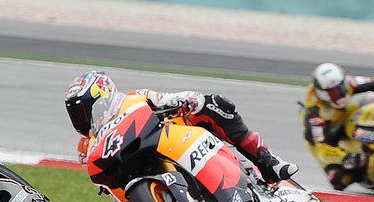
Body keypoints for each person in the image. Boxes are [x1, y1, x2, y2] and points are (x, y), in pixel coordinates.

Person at [64, 70, 297, 185]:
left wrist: (189, 100)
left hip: (175, 138)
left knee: (215, 104)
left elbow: (168, 99)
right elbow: (107, 186)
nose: (82, 119)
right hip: (138, 175)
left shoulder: (135, 98)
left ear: (103, 97)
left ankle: (267, 161)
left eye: (84, 111)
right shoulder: (87, 147)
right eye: (76, 115)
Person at [301, 62, 374, 189]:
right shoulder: (316, 112)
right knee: (338, 180)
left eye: (340, 89)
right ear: (322, 93)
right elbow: (321, 145)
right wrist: (345, 157)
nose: (338, 96)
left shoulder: (350, 82)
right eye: (333, 93)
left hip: (348, 119)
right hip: (328, 136)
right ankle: (368, 177)